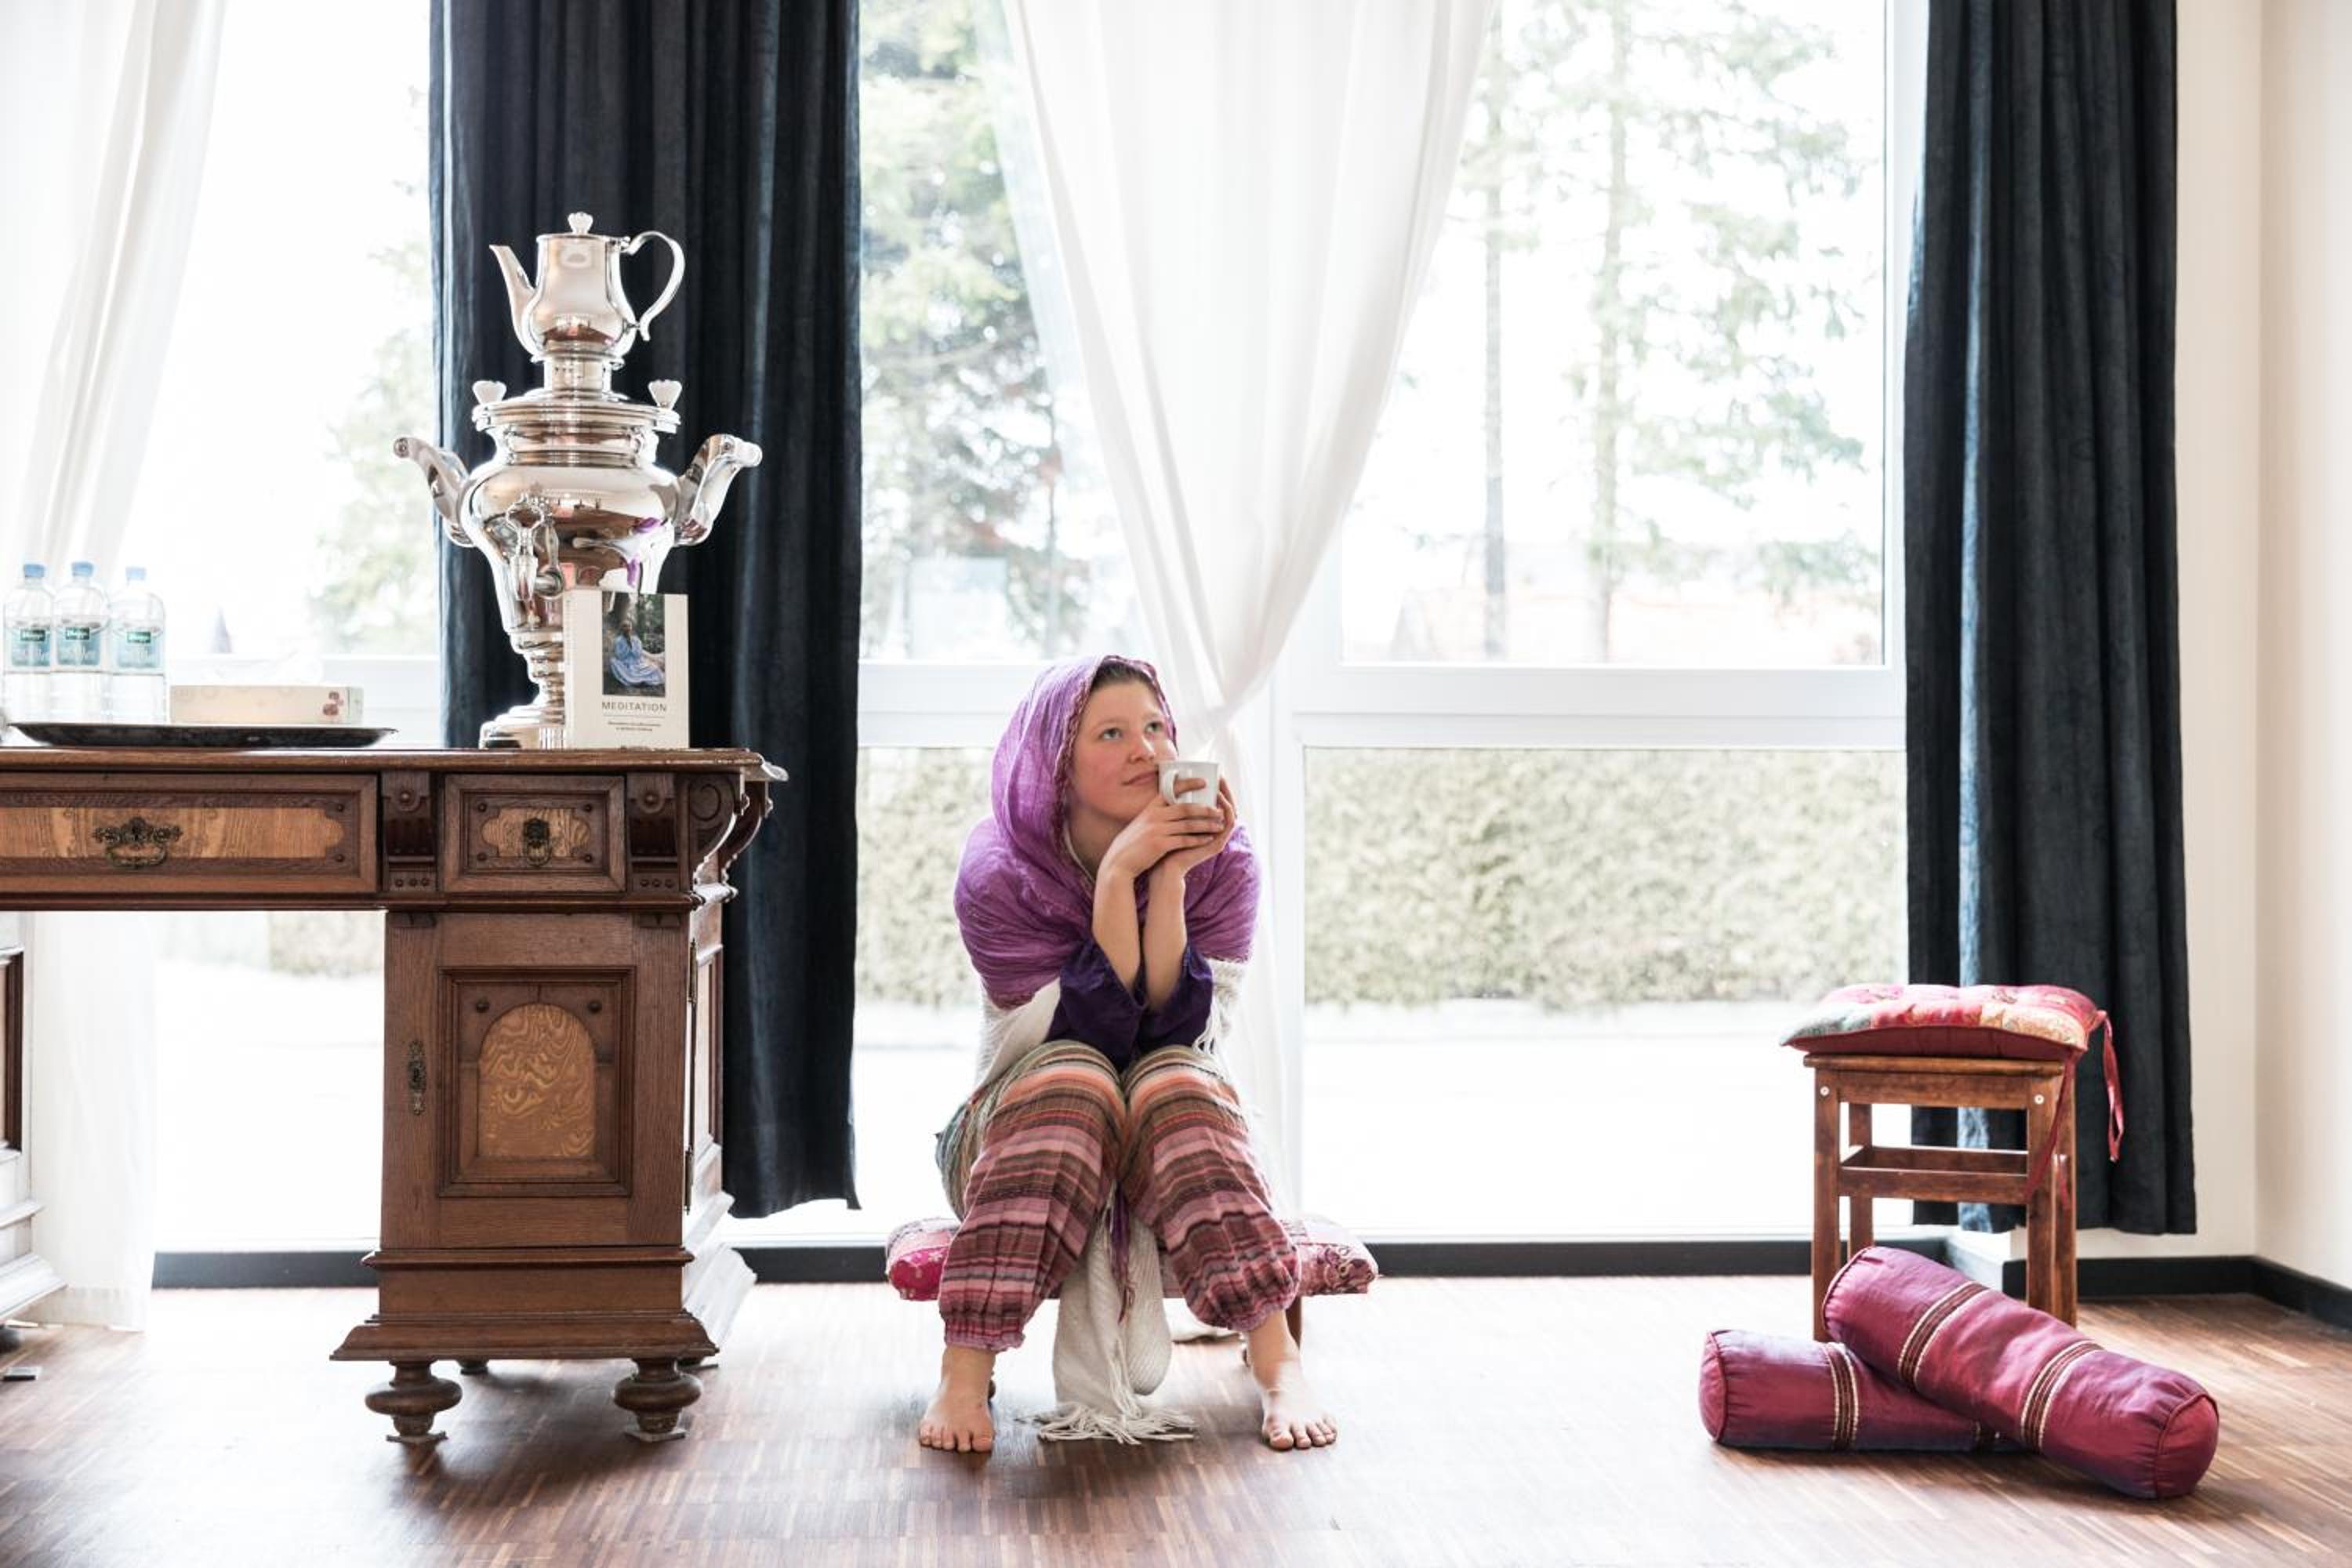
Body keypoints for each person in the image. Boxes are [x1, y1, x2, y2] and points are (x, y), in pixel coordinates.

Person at [919, 654, 1335, 1456]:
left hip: (1173, 1139)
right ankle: (962, 1370)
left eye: (1155, 727)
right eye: (1111, 733)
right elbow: (1087, 1039)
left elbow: (1181, 1037)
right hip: (1018, 1137)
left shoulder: (1224, 862)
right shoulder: (1002, 872)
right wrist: (1116, 877)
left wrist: (1169, 875)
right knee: (1077, 1081)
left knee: (1175, 1083)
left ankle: (1279, 1363)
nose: (1145, 749)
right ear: (1057, 762)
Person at [605, 597, 666, 690]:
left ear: (631, 628)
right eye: (625, 626)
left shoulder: (636, 640)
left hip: (637, 663)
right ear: (622, 628)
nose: (627, 629)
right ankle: (632, 678)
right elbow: (619, 655)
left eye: (628, 626)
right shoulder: (618, 640)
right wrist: (627, 648)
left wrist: (631, 645)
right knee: (613, 662)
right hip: (625, 663)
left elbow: (638, 655)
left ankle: (640, 678)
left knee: (655, 669)